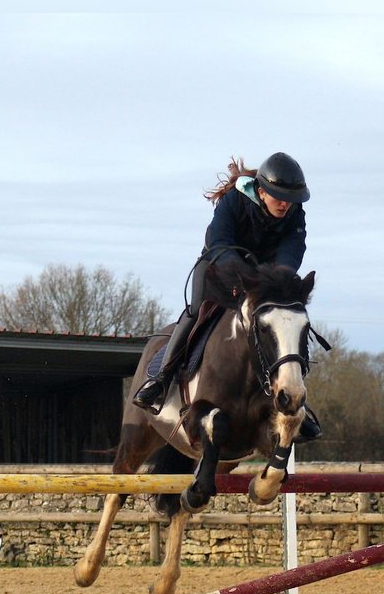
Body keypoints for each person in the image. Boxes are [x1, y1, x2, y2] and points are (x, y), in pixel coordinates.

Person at [132, 151, 322, 442]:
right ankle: (160, 381)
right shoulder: (234, 201)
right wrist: (239, 276)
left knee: (283, 323)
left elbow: (292, 250)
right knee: (196, 313)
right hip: (219, 269)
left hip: (262, 280)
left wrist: (278, 279)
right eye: (280, 198)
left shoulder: (295, 213)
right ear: (261, 191)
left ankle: (294, 402)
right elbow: (219, 241)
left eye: (290, 199)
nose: (285, 204)